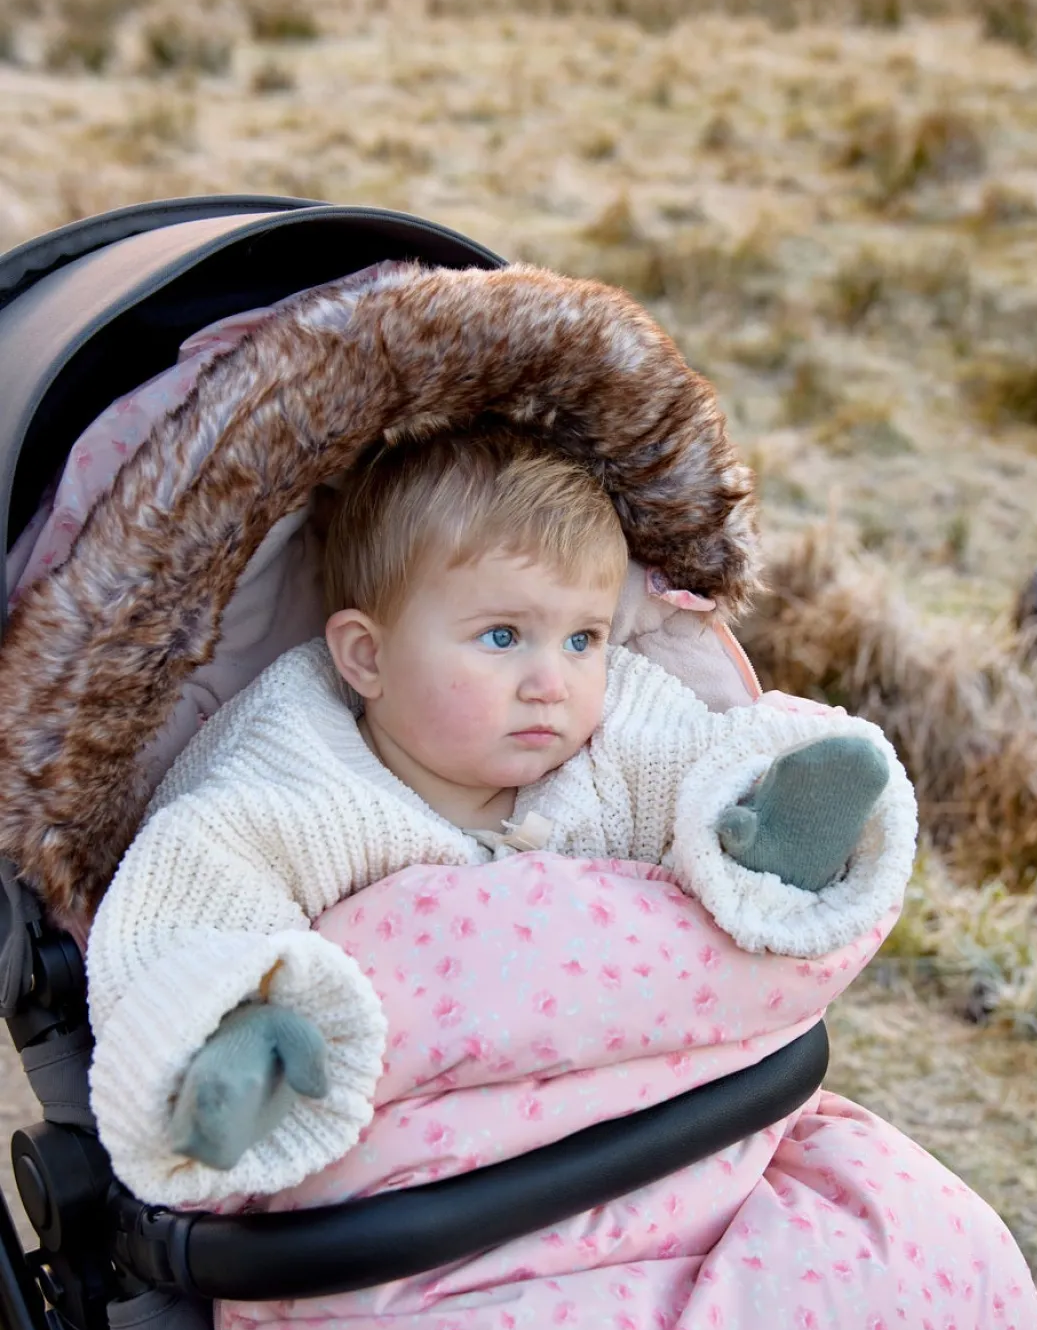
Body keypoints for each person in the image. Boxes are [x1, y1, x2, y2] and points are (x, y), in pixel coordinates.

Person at [85, 420, 916, 1210]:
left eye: (583, 639)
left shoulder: (615, 738)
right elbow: (191, 895)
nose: (552, 682)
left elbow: (708, 756)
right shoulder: (303, 775)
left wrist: (753, 811)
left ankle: (773, 862)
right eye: (502, 636)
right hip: (435, 1195)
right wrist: (239, 1019)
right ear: (367, 656)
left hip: (653, 1137)